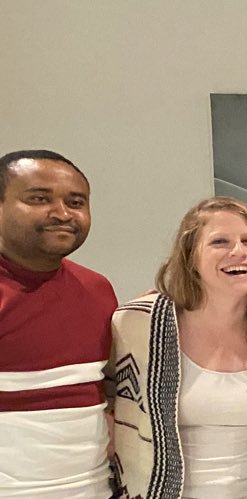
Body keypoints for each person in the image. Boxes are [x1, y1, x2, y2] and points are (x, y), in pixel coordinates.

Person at [110, 197, 247, 498]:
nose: (238, 252)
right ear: (190, 257)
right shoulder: (138, 325)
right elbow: (105, 405)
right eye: (220, 242)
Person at [0, 150, 115, 498]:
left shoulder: (97, 290)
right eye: (39, 198)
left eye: (76, 201)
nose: (63, 213)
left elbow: (110, 390)